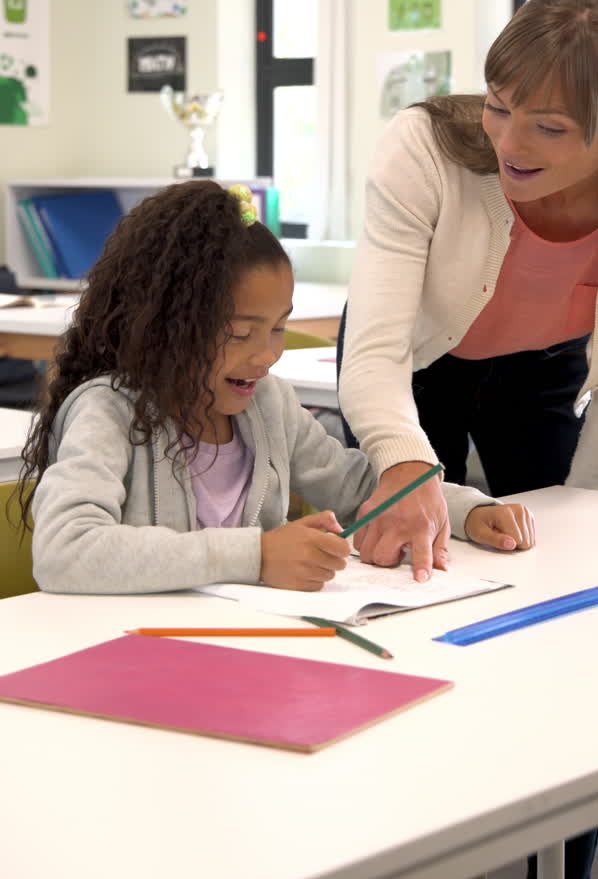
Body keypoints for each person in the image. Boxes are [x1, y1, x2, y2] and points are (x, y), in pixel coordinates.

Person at [338, 0, 598, 879]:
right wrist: (405, 466)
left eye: (549, 128)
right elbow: (376, 357)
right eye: (501, 107)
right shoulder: (425, 146)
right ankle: (394, 843)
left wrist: (586, 521)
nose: (511, 144)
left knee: (568, 606)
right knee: (409, 581)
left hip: (544, 371)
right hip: (413, 364)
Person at [15, 179, 530, 601]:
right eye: (240, 333)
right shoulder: (109, 412)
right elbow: (66, 550)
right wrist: (257, 556)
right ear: (166, 327)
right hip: (134, 650)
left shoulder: (268, 404)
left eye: (279, 327)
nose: (267, 355)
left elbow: (359, 488)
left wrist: (467, 511)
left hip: (250, 640)